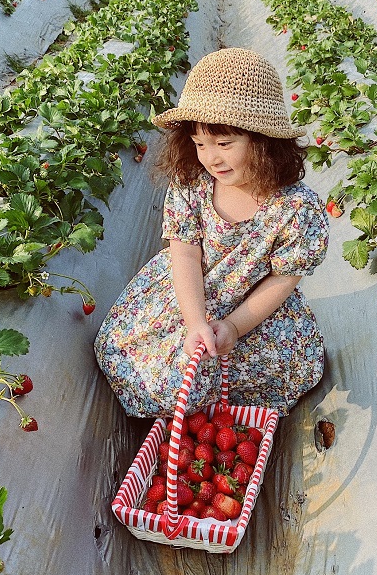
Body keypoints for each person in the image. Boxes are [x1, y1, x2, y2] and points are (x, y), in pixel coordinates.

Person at [94, 47, 329, 418]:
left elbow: (284, 279)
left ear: (264, 140)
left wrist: (234, 327)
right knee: (147, 366)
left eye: (224, 144)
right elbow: (184, 253)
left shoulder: (295, 208)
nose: (211, 158)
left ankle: (221, 408)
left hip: (251, 308)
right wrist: (196, 324)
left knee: (290, 367)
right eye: (200, 144)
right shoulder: (193, 183)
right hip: (188, 295)